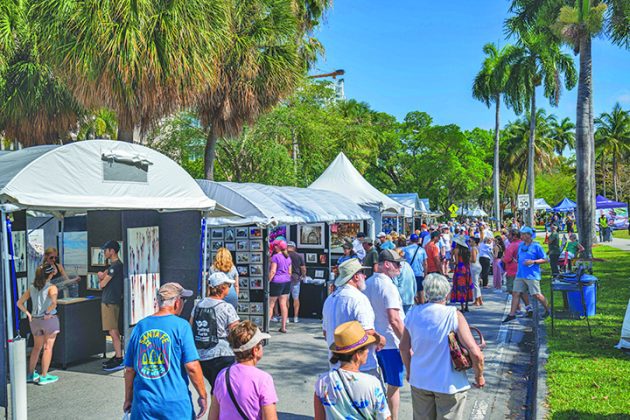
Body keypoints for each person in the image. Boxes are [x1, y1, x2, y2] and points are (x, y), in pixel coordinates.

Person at [400, 274, 485, 420]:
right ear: (448, 293)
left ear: (425, 292)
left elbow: (403, 347)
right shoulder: (453, 315)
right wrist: (479, 376)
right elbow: (475, 353)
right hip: (449, 383)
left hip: (420, 380)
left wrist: (410, 371)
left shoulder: (413, 313)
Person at [123, 283, 208, 419]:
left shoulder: (140, 326)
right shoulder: (182, 326)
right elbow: (192, 366)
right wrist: (202, 395)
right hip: (175, 406)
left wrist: (128, 398)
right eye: (184, 300)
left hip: (145, 404)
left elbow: (129, 369)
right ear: (177, 302)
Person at [314, 321, 391, 420]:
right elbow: (385, 417)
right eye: (366, 348)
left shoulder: (322, 382)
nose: (368, 351)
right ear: (357, 355)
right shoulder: (372, 383)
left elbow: (319, 418)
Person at [322, 259, 385, 377]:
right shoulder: (358, 298)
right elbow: (367, 331)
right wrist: (380, 339)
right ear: (356, 276)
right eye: (362, 273)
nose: (365, 276)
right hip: (360, 366)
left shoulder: (330, 299)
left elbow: (325, 333)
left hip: (336, 365)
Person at [363, 250, 406, 420]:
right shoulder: (388, 286)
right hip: (390, 342)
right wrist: (406, 342)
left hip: (373, 339)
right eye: (397, 264)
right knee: (393, 386)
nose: (399, 267)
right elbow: (394, 319)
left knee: (375, 384)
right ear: (386, 264)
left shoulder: (368, 282)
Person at [209, 321, 277, 420]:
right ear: (255, 350)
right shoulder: (263, 379)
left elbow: (213, 415)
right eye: (261, 343)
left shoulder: (222, 375)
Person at [190, 272, 239, 392]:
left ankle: (216, 409)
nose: (229, 288)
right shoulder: (226, 307)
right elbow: (236, 331)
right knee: (222, 390)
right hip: (223, 353)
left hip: (202, 355)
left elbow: (191, 325)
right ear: (222, 288)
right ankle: (220, 410)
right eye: (228, 286)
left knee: (215, 388)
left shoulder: (198, 305)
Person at [17, 264, 60, 385]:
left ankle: (30, 374)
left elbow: (19, 303)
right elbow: (54, 303)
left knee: (37, 348)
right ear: (51, 274)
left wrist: (28, 314)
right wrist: (47, 312)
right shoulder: (52, 287)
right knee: (47, 348)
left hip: (35, 320)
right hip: (48, 320)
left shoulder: (32, 287)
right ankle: (44, 376)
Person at [503, 227, 550, 323]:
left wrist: (533, 261)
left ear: (530, 235)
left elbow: (545, 259)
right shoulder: (521, 245)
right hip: (520, 274)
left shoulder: (536, 246)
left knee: (536, 294)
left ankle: (548, 309)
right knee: (516, 293)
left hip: (532, 275)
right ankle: (511, 314)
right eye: (522, 234)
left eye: (525, 234)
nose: (523, 236)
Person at [98, 240, 125, 371]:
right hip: (111, 300)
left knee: (113, 330)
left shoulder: (115, 266)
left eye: (106, 250)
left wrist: (101, 277)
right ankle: (118, 355)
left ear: (112, 251)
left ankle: (119, 358)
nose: (104, 252)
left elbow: (102, 284)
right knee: (112, 330)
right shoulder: (114, 266)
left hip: (110, 301)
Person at [268, 240, 292, 333]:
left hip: (277, 281)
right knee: (283, 304)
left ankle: (267, 326)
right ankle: (283, 326)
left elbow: (273, 271)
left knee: (271, 304)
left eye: (275, 246)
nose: (274, 247)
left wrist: (268, 281)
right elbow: (290, 272)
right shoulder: (288, 257)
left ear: (278, 247)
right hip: (286, 281)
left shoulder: (275, 257)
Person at [403, 234, 428, 304]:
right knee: (420, 291)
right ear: (417, 241)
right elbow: (425, 263)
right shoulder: (422, 250)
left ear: (410, 240)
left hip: (408, 273)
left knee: (409, 290)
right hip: (419, 273)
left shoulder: (405, 249)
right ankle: (421, 306)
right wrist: (425, 274)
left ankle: (414, 304)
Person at [450, 236, 473, 312]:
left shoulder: (456, 250)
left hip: (459, 269)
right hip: (466, 269)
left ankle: (462, 307)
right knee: (466, 287)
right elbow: (469, 260)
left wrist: (452, 260)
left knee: (460, 287)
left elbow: (456, 262)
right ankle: (467, 306)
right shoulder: (467, 250)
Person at [392, 249, 417, 314]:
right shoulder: (407, 265)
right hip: (410, 297)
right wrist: (414, 294)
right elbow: (413, 280)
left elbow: (394, 284)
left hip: (400, 298)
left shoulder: (395, 267)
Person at [287, 241, 306, 323]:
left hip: (286, 279)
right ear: (294, 247)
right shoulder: (299, 256)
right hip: (296, 278)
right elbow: (303, 268)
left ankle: (286, 317)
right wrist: (303, 275)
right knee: (296, 298)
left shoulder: (284, 255)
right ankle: (296, 317)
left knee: (285, 299)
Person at [469, 238, 483, 306]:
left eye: (471, 241)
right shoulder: (476, 248)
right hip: (477, 266)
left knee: (475, 284)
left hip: (474, 266)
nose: (469, 243)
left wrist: (467, 259)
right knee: (476, 283)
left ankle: (477, 300)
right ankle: (479, 299)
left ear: (474, 242)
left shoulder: (473, 249)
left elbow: (473, 259)